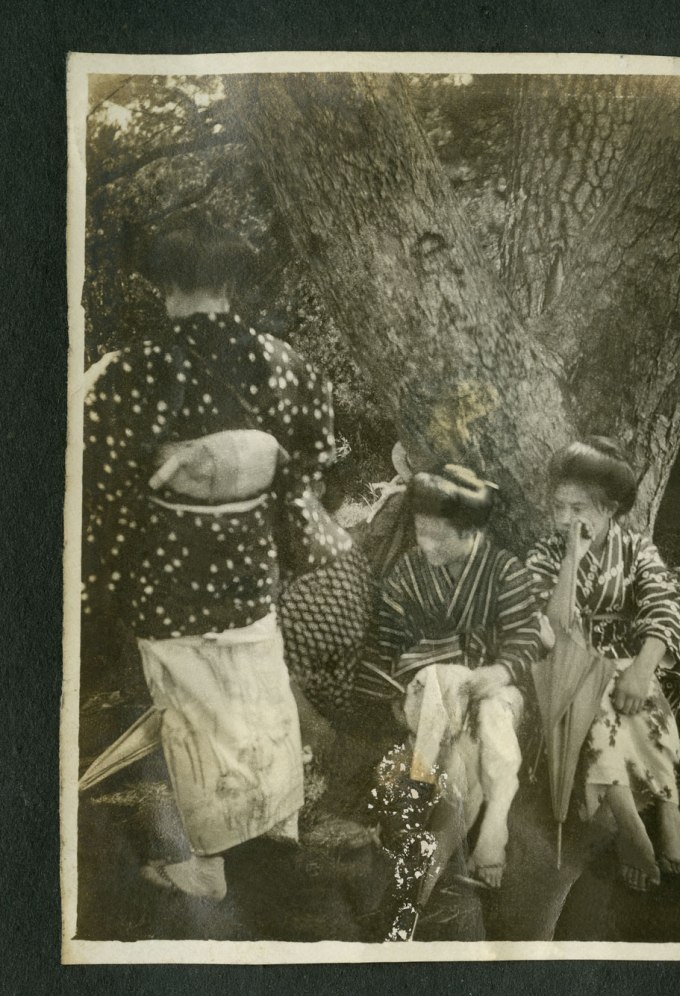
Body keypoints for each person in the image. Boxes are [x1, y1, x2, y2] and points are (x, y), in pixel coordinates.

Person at [82, 214, 338, 900]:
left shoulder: (130, 372)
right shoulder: (287, 364)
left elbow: (109, 489)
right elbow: (310, 459)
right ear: (231, 283)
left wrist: (100, 579)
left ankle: (211, 864)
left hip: (168, 571)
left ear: (165, 286)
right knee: (260, 692)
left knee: (189, 707)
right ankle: (278, 824)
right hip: (250, 562)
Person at [527, 436, 680, 892]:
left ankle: (668, 812)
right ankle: (627, 821)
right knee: (598, 706)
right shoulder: (547, 551)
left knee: (641, 702)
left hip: (628, 661)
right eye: (559, 507)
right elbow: (556, 626)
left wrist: (642, 671)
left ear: (609, 509)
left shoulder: (636, 548)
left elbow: (663, 608)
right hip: (571, 667)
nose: (565, 519)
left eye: (578, 508)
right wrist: (570, 559)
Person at [367, 465, 544, 889]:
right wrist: (394, 693)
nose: (424, 543)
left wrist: (499, 670)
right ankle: (476, 838)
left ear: (469, 532)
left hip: (494, 693)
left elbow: (527, 637)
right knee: (448, 681)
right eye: (419, 531)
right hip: (424, 698)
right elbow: (386, 642)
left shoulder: (504, 571)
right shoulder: (408, 571)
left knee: (491, 715)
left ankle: (469, 831)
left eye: (437, 534)